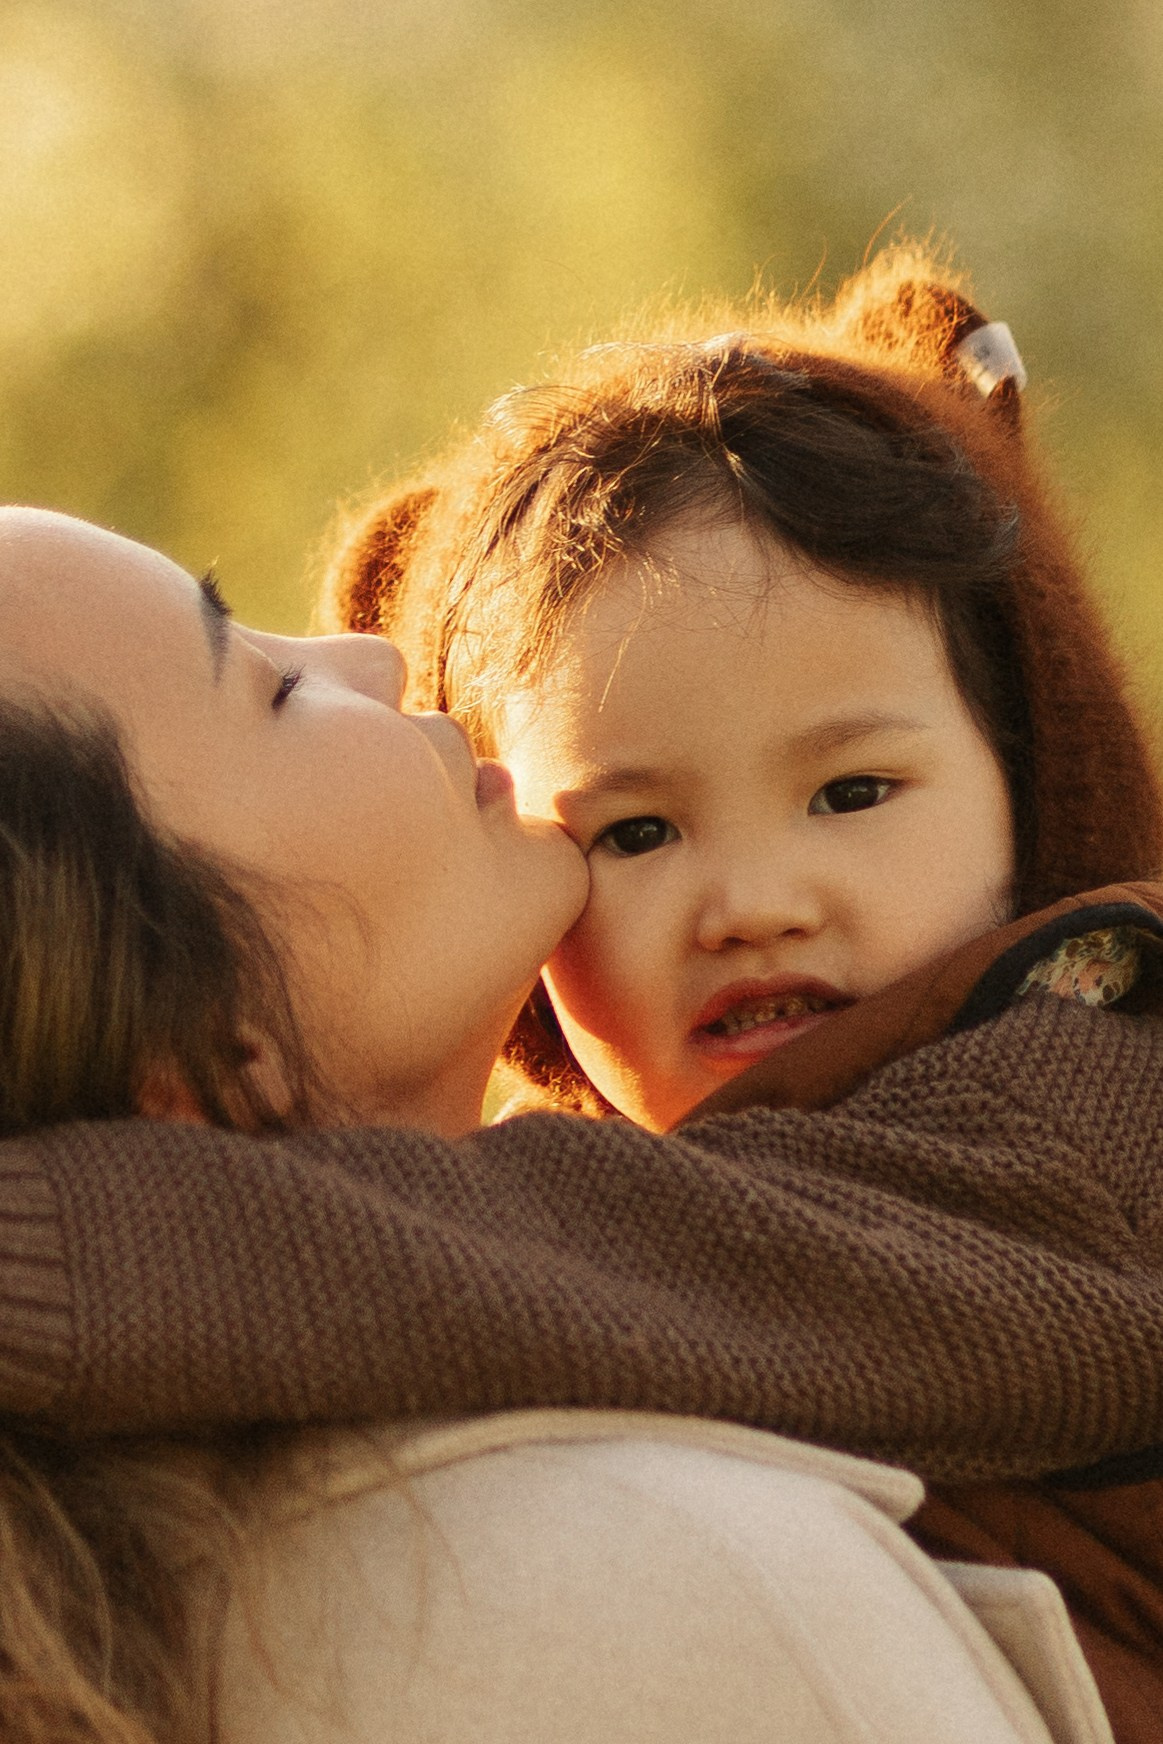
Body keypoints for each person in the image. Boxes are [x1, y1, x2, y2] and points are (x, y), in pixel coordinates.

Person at [1, 244, 1162, 1737]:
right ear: (199, 1042)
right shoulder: (578, 1545)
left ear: (1030, 788)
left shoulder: (1095, 1067)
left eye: (855, 790)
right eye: (633, 831)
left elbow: (615, 1256)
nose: (753, 904)